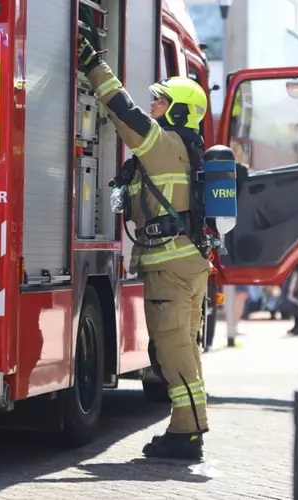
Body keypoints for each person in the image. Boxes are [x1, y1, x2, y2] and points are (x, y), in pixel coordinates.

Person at [78, 36, 209, 460]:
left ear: (178, 110)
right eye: (155, 100)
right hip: (186, 265)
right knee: (182, 349)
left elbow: (124, 113)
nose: (153, 105)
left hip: (171, 268)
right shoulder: (184, 151)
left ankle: (186, 434)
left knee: (172, 351)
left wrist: (94, 67)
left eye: (161, 100)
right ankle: (189, 427)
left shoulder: (166, 146)